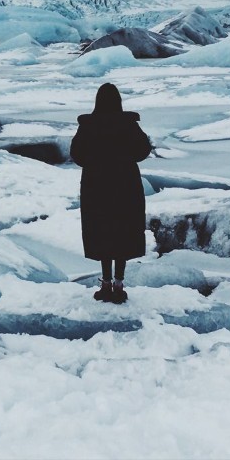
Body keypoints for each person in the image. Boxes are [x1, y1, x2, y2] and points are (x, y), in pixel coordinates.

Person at [70, 82, 152, 303]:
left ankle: (105, 283)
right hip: (126, 185)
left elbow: (76, 154)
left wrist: (95, 161)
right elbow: (143, 150)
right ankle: (119, 284)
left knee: (102, 232)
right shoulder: (128, 124)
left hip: (96, 186)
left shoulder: (88, 125)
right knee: (123, 232)